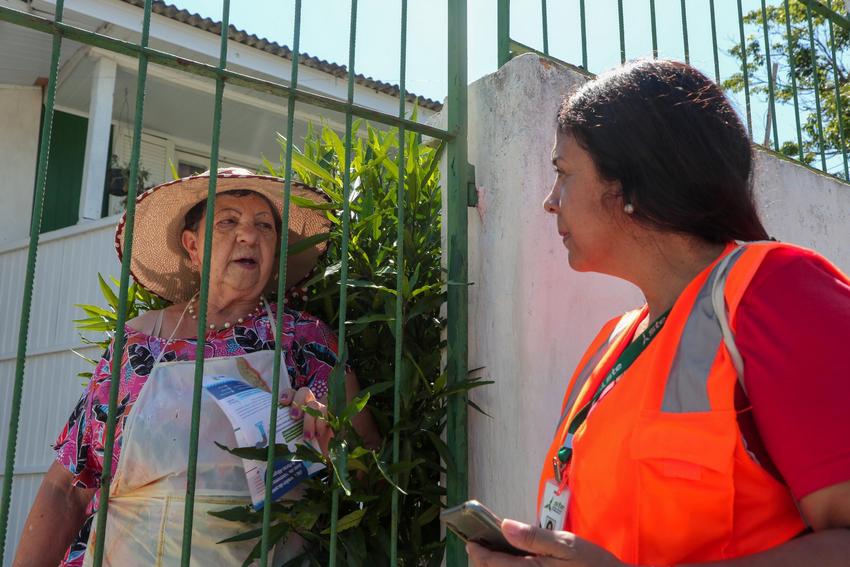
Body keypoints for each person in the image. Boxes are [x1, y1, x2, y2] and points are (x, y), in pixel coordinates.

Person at [467, 60, 850, 566]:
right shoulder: (610, 346)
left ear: (630, 184)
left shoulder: (776, 291)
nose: (549, 202)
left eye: (562, 173)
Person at [13, 167, 379, 566]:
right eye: (228, 221)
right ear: (192, 245)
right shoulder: (135, 344)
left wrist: (329, 434)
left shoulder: (306, 340)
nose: (249, 235)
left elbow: (369, 469)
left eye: (264, 226)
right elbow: (67, 486)